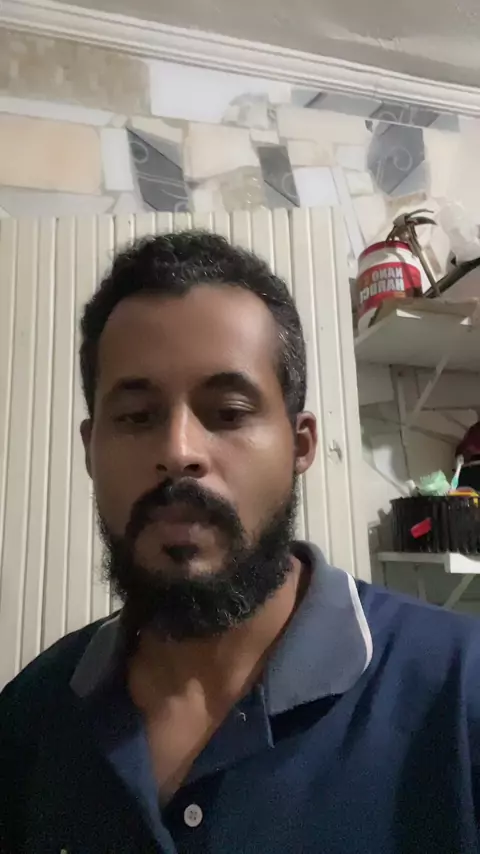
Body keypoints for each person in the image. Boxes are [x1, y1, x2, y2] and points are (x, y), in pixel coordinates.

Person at [1, 230, 480, 854]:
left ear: (300, 445)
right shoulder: (30, 715)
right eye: (137, 416)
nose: (178, 452)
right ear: (91, 450)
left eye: (227, 412)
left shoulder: (461, 689)